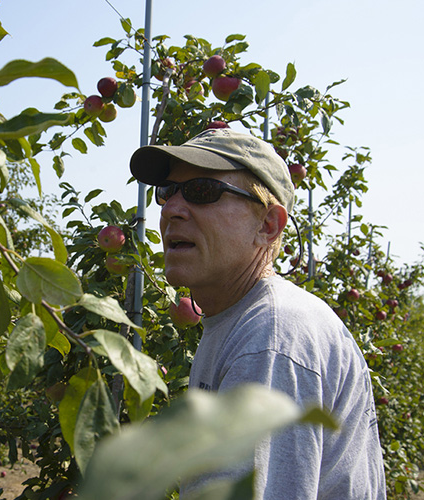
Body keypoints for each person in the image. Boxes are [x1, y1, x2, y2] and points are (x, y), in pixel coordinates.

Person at [129, 128, 386, 499]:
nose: (170, 209)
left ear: (267, 225)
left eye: (202, 191)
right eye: (167, 191)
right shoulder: (239, 320)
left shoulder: (269, 339)